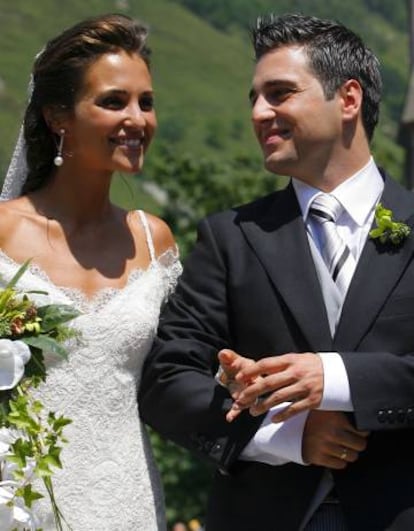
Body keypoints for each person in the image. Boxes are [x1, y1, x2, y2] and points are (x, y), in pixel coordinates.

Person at [139, 13, 414, 531]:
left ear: (349, 99)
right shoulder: (230, 236)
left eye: (280, 93)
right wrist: (284, 434)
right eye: (255, 99)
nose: (260, 113)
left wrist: (332, 377)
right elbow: (166, 379)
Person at [0, 13, 181, 530]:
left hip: (127, 499)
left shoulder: (155, 241)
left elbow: (175, 371)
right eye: (113, 101)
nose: (138, 119)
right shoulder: (3, 235)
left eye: (146, 103)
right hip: (19, 499)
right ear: (59, 117)